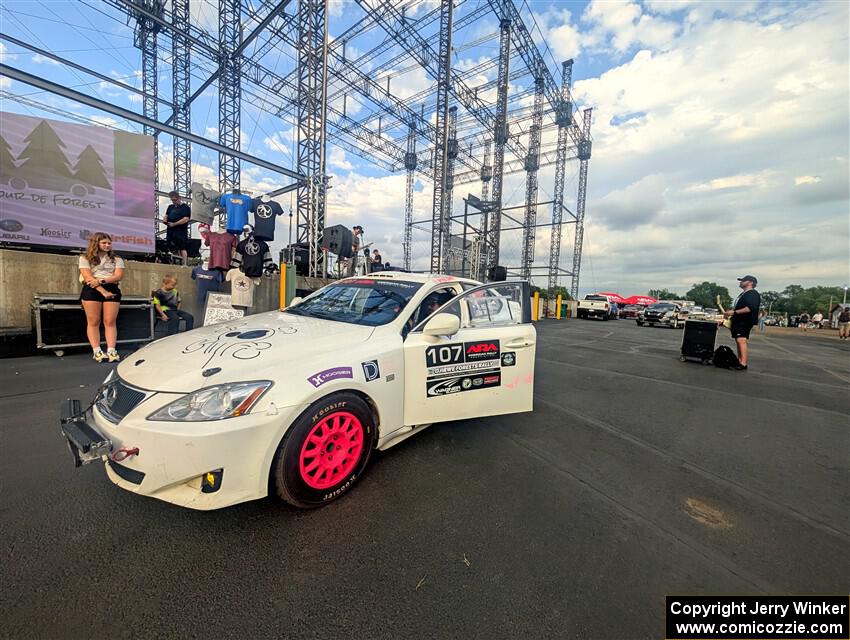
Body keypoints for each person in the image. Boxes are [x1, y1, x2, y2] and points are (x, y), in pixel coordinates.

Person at [78, 232, 124, 363]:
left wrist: (101, 281)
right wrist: (102, 290)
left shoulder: (117, 259)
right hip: (92, 289)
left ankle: (111, 350)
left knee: (110, 321)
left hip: (110, 287)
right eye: (104, 243)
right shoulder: (85, 257)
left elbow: (118, 276)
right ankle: (97, 351)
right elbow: (87, 277)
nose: (107, 245)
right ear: (96, 243)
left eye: (109, 243)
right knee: (93, 321)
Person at [723, 275, 760, 370]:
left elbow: (750, 308)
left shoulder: (752, 294)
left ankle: (743, 363)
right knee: (738, 340)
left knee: (741, 340)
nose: (741, 282)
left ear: (750, 283)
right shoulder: (744, 294)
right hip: (739, 320)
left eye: (743, 280)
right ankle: (740, 361)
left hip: (745, 320)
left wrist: (734, 312)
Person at [163, 191, 191, 262]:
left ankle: (184, 263)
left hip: (180, 231)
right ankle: (174, 261)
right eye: (172, 200)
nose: (173, 202)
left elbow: (186, 219)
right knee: (171, 246)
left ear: (179, 198)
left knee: (182, 247)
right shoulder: (170, 207)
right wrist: (165, 220)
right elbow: (166, 215)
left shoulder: (185, 207)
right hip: (170, 230)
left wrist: (174, 224)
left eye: (175, 200)